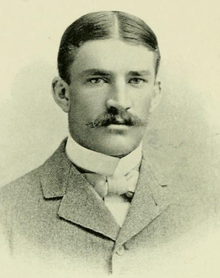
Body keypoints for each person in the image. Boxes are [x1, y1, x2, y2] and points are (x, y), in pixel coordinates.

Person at [0, 11, 219, 277]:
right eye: (98, 80)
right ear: (63, 93)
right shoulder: (7, 213)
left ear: (155, 94)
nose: (119, 100)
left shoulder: (206, 213)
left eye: (136, 80)